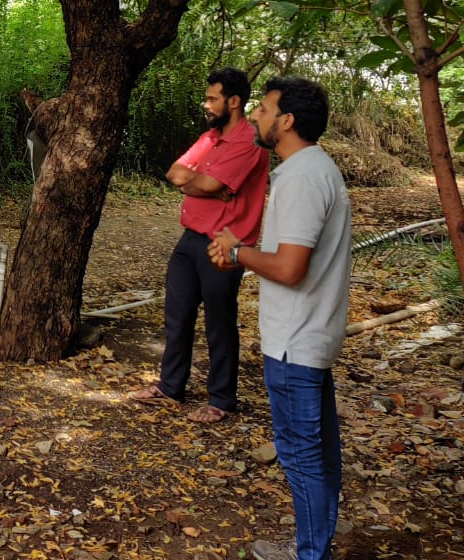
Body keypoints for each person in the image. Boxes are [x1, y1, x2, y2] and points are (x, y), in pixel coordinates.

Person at [208, 76, 352, 560]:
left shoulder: (302, 177)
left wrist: (238, 250)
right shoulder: (314, 169)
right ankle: (313, 545)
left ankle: (311, 553)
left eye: (265, 110)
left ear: (287, 121)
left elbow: (290, 268)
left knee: (301, 455)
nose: (256, 116)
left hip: (295, 341)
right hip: (309, 334)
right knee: (317, 451)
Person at [131, 68, 269, 423]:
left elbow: (204, 184)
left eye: (212, 98)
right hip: (191, 237)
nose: (205, 104)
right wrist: (204, 183)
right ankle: (170, 386)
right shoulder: (209, 137)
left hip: (225, 242)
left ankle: (221, 399)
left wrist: (205, 184)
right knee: (177, 315)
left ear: (234, 101)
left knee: (219, 323)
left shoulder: (249, 141)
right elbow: (175, 173)